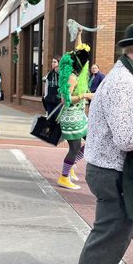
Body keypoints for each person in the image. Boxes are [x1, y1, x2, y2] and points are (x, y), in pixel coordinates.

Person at [77, 20, 133, 264]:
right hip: (118, 177)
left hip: (129, 176)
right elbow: (128, 138)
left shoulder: (130, 78)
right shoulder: (124, 82)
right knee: (107, 245)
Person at [56, 30, 93, 189]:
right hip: (71, 117)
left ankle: (69, 168)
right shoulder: (72, 77)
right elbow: (66, 99)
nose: (87, 64)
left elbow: (78, 50)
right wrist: (85, 95)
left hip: (78, 116)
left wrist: (78, 35)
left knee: (91, 141)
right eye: (85, 62)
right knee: (75, 148)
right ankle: (64, 177)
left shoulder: (77, 72)